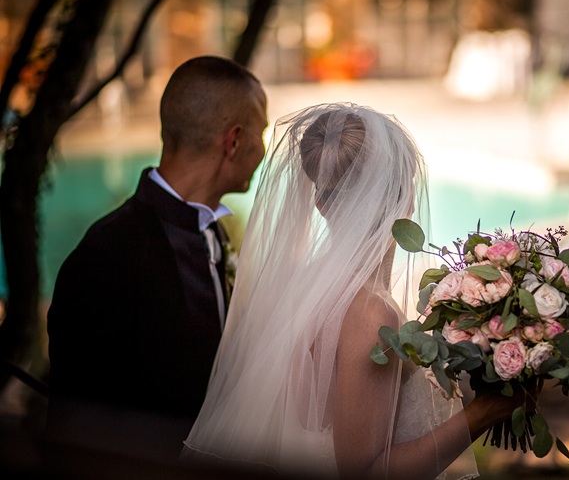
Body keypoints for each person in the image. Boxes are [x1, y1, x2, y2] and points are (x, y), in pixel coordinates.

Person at [182, 103, 534, 479]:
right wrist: (482, 414)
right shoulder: (370, 316)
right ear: (407, 197)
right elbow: (364, 471)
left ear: (320, 204)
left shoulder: (305, 291)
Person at [46, 55, 268, 460]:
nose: (263, 148)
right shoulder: (105, 256)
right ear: (233, 140)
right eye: (261, 132)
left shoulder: (213, 231)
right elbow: (76, 421)